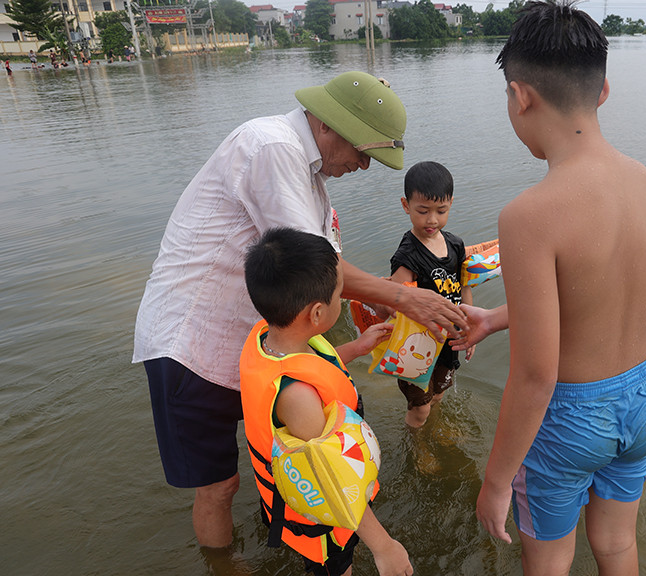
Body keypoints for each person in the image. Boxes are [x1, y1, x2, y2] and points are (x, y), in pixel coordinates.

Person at [133, 71, 466, 549]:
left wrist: (375, 309)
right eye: (364, 153)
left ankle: (288, 536)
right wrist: (401, 296)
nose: (365, 166)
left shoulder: (308, 171)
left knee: (287, 459)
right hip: (194, 344)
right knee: (219, 486)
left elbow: (322, 266)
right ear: (330, 126)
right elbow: (316, 268)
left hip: (262, 342)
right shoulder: (273, 149)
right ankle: (227, 563)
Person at [455, 3, 646, 575]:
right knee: (617, 542)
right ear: (603, 91)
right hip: (645, 392)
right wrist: (498, 316)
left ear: (521, 96)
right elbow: (602, 292)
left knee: (549, 560)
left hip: (573, 416)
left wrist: (496, 482)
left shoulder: (530, 214)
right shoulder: (643, 180)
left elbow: (535, 373)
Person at [240, 227, 412, 576]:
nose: (343, 300)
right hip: (322, 513)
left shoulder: (270, 334)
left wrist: (357, 348)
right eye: (339, 295)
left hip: (287, 484)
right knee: (336, 567)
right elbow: (331, 480)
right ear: (317, 314)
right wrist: (384, 547)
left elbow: (313, 365)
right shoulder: (296, 398)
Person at [389, 161, 475, 427]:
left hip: (448, 341)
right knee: (420, 407)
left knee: (438, 394)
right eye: (423, 211)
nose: (432, 220)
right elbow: (395, 303)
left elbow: (464, 286)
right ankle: (418, 445)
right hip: (418, 345)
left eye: (441, 210)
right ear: (406, 206)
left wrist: (468, 326)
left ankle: (433, 431)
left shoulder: (455, 244)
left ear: (451, 203)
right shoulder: (407, 256)